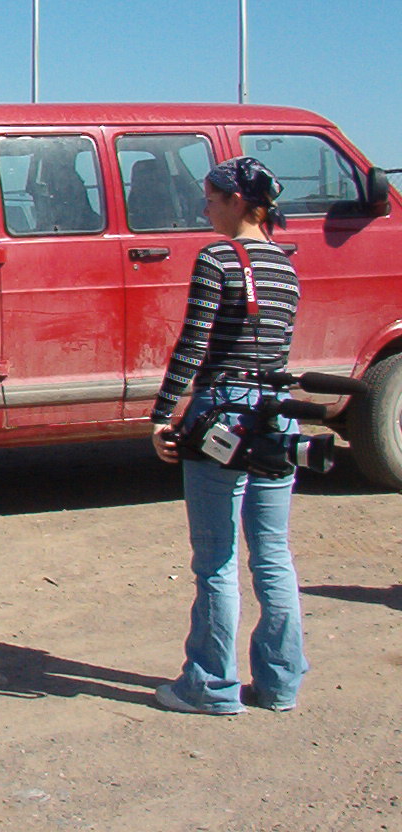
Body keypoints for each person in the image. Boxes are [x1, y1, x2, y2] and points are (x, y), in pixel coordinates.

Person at [150, 156, 304, 715]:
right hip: (275, 415)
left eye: (212, 198)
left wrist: (163, 416)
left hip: (222, 413)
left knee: (215, 557)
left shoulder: (217, 257)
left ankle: (210, 685)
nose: (205, 206)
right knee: (272, 553)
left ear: (239, 201)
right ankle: (280, 683)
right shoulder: (286, 268)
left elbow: (193, 344)